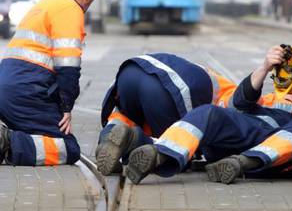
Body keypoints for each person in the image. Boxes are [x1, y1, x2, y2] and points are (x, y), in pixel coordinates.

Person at [124, 46, 292, 185]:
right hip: (238, 135)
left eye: (291, 94)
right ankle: (157, 154)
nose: (279, 93)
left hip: (263, 154)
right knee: (208, 113)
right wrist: (264, 68)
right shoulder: (263, 102)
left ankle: (240, 163)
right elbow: (240, 102)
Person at [0, 0, 108, 166]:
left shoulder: (47, 2)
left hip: (10, 88)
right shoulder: (70, 9)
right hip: (26, 92)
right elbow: (68, 67)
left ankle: (8, 139)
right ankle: (7, 143)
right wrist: (67, 107)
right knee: (67, 148)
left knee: (34, 135)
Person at [96, 53, 237, 175]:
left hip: (129, 73)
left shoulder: (199, 71)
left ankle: (108, 137)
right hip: (163, 89)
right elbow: (224, 122)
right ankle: (134, 140)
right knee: (174, 151)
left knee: (122, 119)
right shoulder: (230, 95)